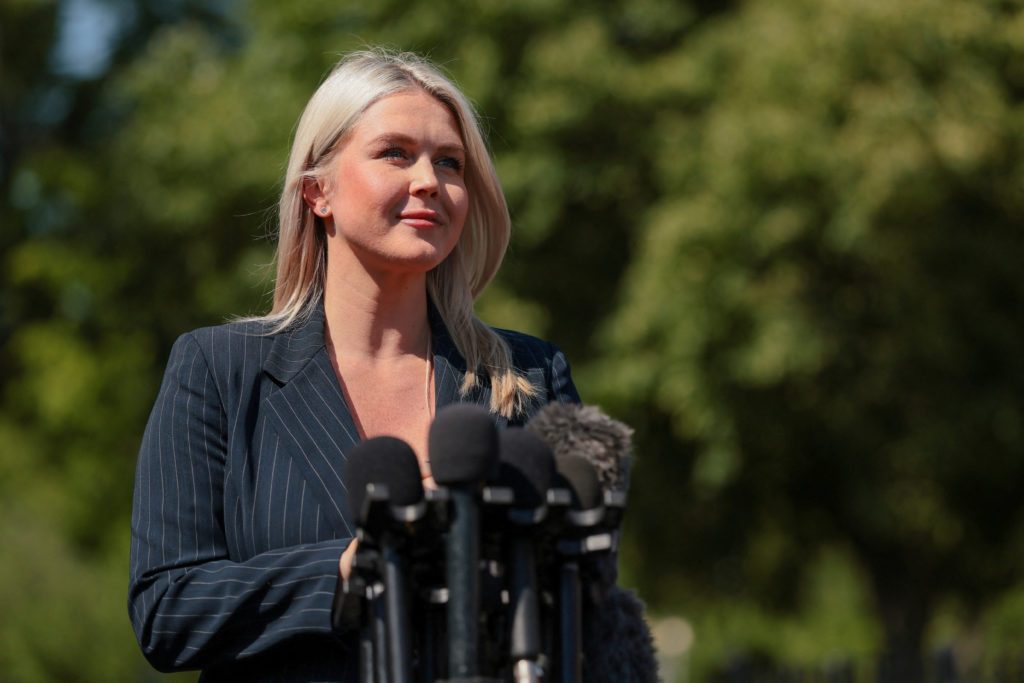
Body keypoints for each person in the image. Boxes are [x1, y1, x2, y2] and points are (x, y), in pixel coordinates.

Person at [128, 49, 580, 680]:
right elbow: (168, 610)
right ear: (319, 191)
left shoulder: (532, 374)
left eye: (449, 162)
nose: (429, 180)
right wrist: (351, 568)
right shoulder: (218, 371)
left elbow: (585, 599)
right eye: (395, 153)